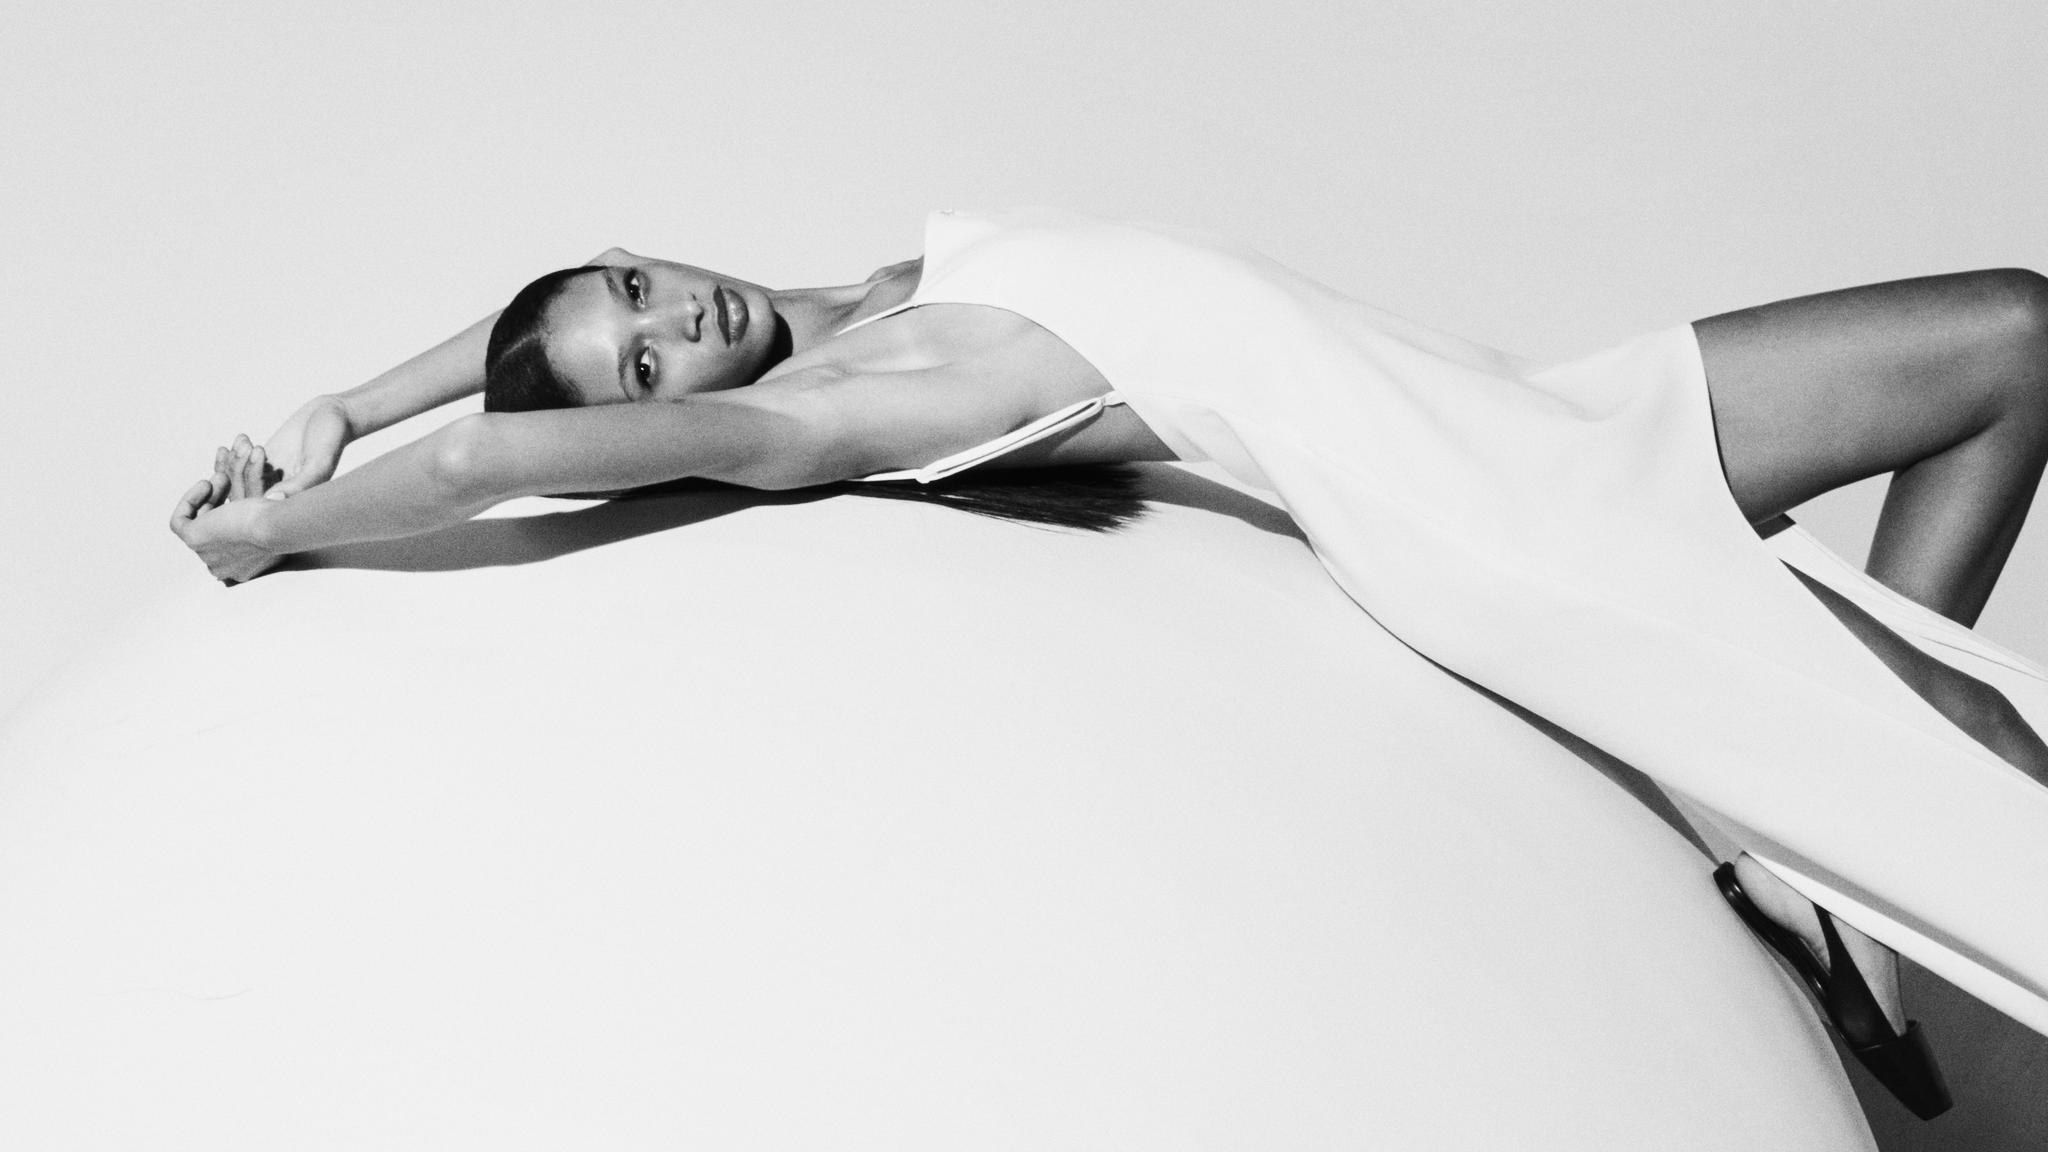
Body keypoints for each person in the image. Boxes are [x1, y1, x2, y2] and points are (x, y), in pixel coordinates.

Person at [171, 207, 2048, 1119]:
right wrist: (267, 525)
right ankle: (1857, 873)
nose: (674, 326)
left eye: (642, 298)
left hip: (1540, 415)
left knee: (2009, 340)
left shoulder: (857, 283)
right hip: (1503, 529)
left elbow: (537, 317)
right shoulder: (820, 408)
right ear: (668, 423)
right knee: (1978, 786)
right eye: (645, 373)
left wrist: (340, 392)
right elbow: (503, 451)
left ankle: (1826, 900)